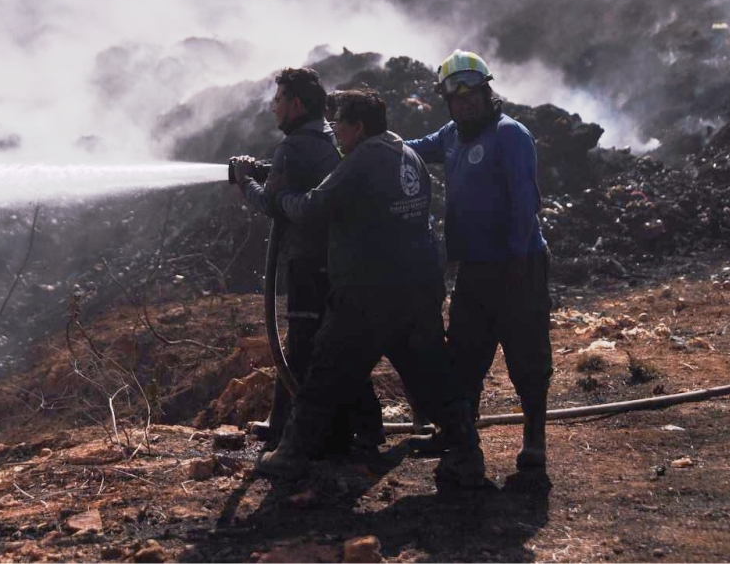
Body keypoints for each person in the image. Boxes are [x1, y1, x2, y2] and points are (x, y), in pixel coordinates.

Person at [256, 90, 485, 488]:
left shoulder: (362, 159)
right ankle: (467, 453)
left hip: (368, 294)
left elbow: (312, 208)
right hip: (418, 289)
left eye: (339, 126)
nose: (335, 133)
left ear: (358, 127)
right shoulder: (405, 154)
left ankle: (290, 454)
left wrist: (282, 196)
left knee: (324, 373)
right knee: (431, 375)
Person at [405, 49, 553, 473]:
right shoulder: (451, 136)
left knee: (526, 355)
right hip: (473, 268)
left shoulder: (510, 135)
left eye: (471, 94)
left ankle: (534, 441)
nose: (464, 102)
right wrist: (374, 145)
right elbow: (413, 148)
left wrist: (516, 261)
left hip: (517, 264)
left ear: (487, 92)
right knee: (464, 356)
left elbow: (525, 204)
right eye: (456, 97)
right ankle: (460, 438)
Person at [230, 68, 384, 454]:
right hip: (337, 259)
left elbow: (270, 202)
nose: (273, 107)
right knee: (332, 340)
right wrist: (267, 170)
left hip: (307, 263)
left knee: (303, 346)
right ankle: (321, 425)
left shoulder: (293, 147)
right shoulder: (330, 137)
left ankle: (307, 435)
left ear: (296, 104)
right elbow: (305, 176)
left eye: (278, 100)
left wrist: (244, 180)